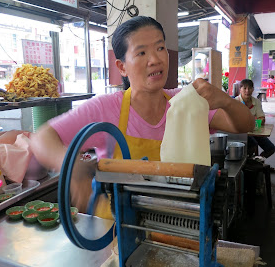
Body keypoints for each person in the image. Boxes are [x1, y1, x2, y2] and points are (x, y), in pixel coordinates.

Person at [31, 16, 254, 214]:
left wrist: (225, 100)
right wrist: (70, 165)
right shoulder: (105, 108)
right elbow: (42, 137)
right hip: (115, 231)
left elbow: (244, 125)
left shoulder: (185, 104)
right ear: (122, 67)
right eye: (141, 52)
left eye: (160, 48)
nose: (155, 59)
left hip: (178, 223)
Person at [235, 78, 275, 158]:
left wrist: (256, 121)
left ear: (253, 89)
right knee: (253, 145)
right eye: (245, 88)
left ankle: (257, 161)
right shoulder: (235, 102)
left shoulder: (256, 102)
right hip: (241, 133)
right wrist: (254, 120)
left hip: (255, 131)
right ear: (240, 89)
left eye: (250, 88)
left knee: (271, 148)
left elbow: (262, 118)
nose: (247, 91)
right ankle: (248, 163)